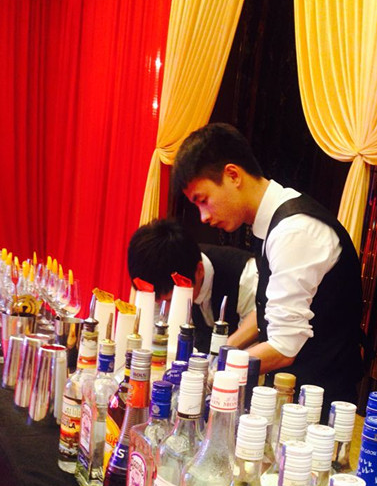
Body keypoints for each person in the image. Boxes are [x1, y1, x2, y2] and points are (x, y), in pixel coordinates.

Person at [172, 122, 365, 420]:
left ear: (233, 175)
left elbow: (284, 347)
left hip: (317, 408)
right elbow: (270, 313)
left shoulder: (293, 231)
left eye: (203, 200)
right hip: (293, 396)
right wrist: (221, 351)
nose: (203, 217)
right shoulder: (273, 222)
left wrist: (212, 376)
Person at [127, 217, 258, 353]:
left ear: (199, 271)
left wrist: (222, 351)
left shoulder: (246, 276)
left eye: (170, 300)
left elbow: (259, 322)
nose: (167, 309)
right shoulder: (157, 288)